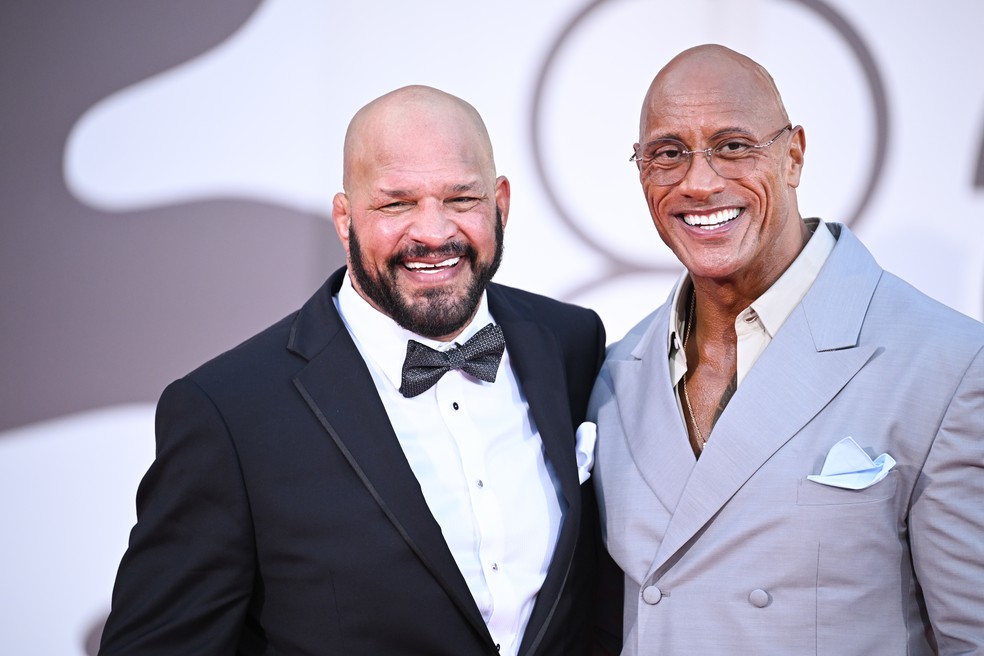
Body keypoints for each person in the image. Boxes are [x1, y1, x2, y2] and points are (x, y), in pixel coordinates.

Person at [99, 85, 612, 655]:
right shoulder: (229, 413)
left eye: (461, 199)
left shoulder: (571, 344)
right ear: (345, 220)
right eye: (397, 204)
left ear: (501, 203)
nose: (434, 232)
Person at [588, 44, 984, 655]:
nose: (699, 181)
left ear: (793, 155)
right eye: (668, 154)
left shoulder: (947, 366)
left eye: (733, 146)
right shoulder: (615, 375)